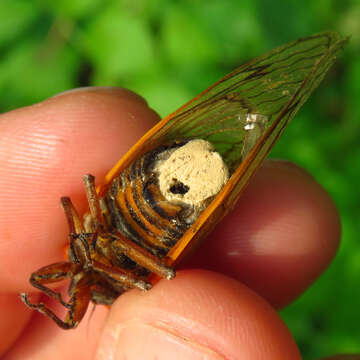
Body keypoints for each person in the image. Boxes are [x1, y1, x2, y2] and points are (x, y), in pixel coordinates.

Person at [0, 87, 351, 359]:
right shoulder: (121, 278)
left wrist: (73, 258)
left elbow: (70, 206)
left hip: (133, 189)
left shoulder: (81, 248)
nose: (88, 288)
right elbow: (153, 273)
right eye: (96, 295)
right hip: (161, 227)